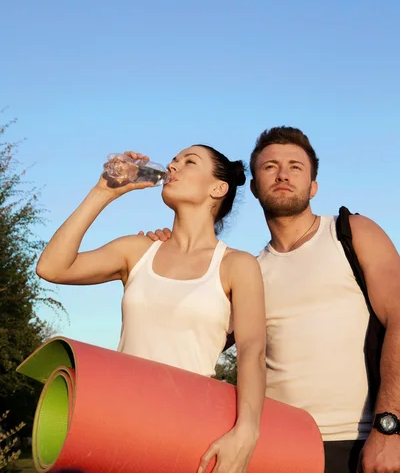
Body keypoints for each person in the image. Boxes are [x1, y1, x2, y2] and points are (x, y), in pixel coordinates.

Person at [145, 127, 400, 473]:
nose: (282, 174)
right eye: (269, 167)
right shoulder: (245, 270)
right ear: (253, 186)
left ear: (313, 186)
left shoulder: (351, 233)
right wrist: (168, 260)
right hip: (278, 447)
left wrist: (389, 428)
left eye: (295, 167)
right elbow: (191, 334)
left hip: (358, 442)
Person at [36, 145, 266, 473]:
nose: (173, 166)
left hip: (189, 429)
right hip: (119, 421)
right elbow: (52, 267)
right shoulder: (137, 249)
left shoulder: (237, 265)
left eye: (189, 162)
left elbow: (252, 350)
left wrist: (247, 430)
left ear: (218, 187)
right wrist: (103, 192)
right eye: (174, 160)